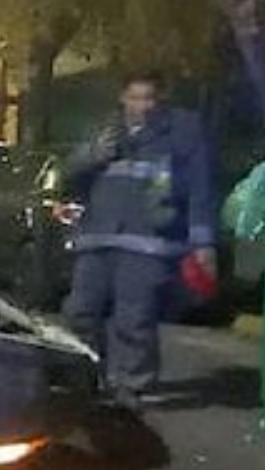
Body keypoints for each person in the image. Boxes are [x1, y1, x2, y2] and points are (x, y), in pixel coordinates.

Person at [61, 71, 217, 410]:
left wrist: (203, 242)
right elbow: (68, 174)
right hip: (97, 237)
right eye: (135, 98)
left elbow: (200, 189)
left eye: (149, 99)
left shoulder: (180, 132)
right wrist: (93, 154)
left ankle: (133, 386)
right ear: (123, 98)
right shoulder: (104, 131)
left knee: (134, 318)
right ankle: (86, 378)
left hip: (148, 243)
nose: (142, 106)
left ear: (160, 100)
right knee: (80, 313)